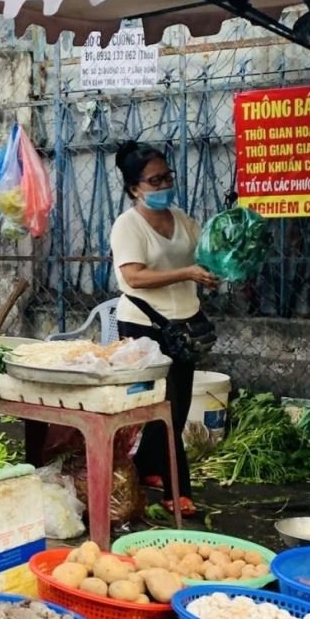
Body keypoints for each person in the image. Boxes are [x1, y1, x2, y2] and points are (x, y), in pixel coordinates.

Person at [110, 141, 218, 516]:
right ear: (134, 188)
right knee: (165, 409)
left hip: (184, 324)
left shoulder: (182, 219)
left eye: (166, 177)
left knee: (175, 404)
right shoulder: (128, 226)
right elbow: (134, 277)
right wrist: (186, 272)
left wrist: (216, 267)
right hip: (145, 325)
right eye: (154, 180)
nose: (163, 185)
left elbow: (206, 252)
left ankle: (146, 468)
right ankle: (178, 489)